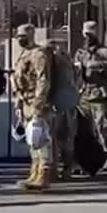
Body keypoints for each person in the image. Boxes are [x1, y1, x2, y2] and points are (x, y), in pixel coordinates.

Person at [74, 21, 107, 170]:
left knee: (103, 127)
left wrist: (96, 66)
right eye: (86, 33)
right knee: (83, 129)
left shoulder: (104, 52)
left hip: (99, 93)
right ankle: (85, 159)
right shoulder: (81, 52)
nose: (88, 36)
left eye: (91, 33)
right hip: (84, 94)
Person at [12, 24, 53, 190]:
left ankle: (44, 174)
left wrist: (38, 104)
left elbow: (43, 81)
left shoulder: (38, 54)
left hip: (37, 102)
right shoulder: (25, 54)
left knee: (40, 138)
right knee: (31, 139)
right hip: (26, 101)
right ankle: (34, 172)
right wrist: (19, 102)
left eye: (23, 36)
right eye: (18, 36)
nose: (20, 39)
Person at [46, 38, 78, 181]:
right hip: (67, 101)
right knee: (64, 137)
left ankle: (59, 168)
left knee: (58, 137)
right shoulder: (65, 61)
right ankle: (66, 167)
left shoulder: (56, 62)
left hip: (60, 102)